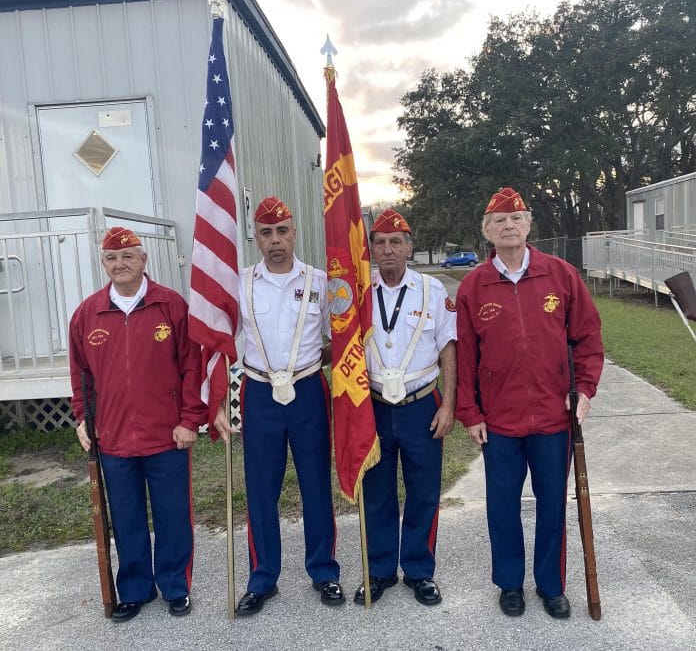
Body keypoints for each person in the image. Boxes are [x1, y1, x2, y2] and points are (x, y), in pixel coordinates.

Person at [455, 187, 604, 619]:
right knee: (502, 507)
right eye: (499, 220)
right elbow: (464, 357)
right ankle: (509, 584)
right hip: (499, 422)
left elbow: (588, 339)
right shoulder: (473, 287)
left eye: (516, 217)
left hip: (555, 419)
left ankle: (551, 584)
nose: (509, 225)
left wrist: (586, 390)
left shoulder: (561, 275)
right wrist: (470, 413)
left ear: (529, 224)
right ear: (487, 231)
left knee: (553, 504)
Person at [214, 196, 344, 616]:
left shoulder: (321, 281)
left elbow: (335, 341)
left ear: (295, 233)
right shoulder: (239, 282)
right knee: (261, 489)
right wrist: (218, 401)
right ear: (256, 237)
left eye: (282, 231)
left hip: (307, 391)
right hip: (259, 393)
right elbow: (219, 345)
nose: (275, 241)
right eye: (266, 233)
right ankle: (262, 577)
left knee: (314, 485)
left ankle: (323, 570)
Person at [69, 227, 207, 622]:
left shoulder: (171, 306)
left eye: (128, 255)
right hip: (113, 439)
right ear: (103, 263)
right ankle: (134, 588)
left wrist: (189, 420)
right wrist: (83, 418)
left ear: (144, 260)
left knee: (172, 516)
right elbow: (80, 375)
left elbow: (191, 367)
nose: (120, 264)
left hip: (167, 435)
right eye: (112, 258)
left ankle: (175, 585)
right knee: (127, 518)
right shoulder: (87, 314)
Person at [355, 209, 457, 607]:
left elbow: (449, 348)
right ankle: (380, 570)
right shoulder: (359, 293)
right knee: (378, 491)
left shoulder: (432, 292)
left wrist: (448, 404)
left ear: (410, 247)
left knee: (423, 491)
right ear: (371, 249)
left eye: (396, 242)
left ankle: (418, 569)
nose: (387, 250)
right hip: (376, 407)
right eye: (379, 242)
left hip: (421, 406)